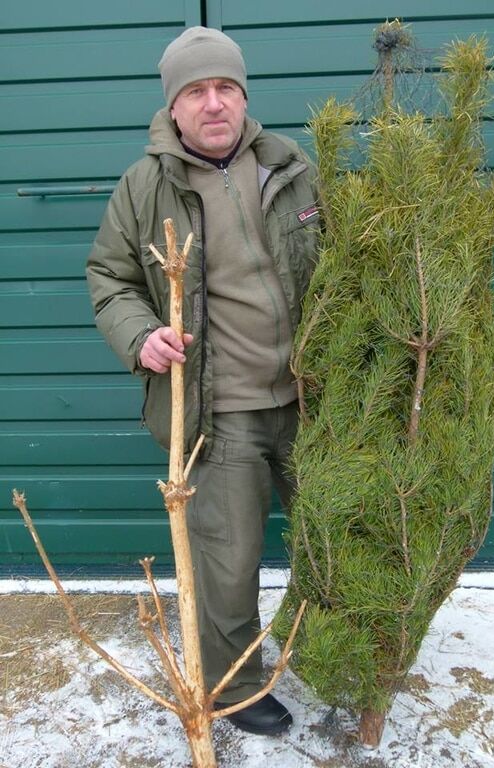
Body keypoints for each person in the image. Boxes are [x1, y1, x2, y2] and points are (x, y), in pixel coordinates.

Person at [86, 27, 319, 736]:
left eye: (225, 88)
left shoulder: (294, 166)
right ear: (175, 105)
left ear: (243, 95)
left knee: (336, 536)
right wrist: (140, 335)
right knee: (230, 559)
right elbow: (110, 276)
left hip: (316, 400)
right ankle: (236, 687)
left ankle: (331, 656)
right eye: (196, 91)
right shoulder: (144, 185)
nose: (213, 103)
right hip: (221, 411)